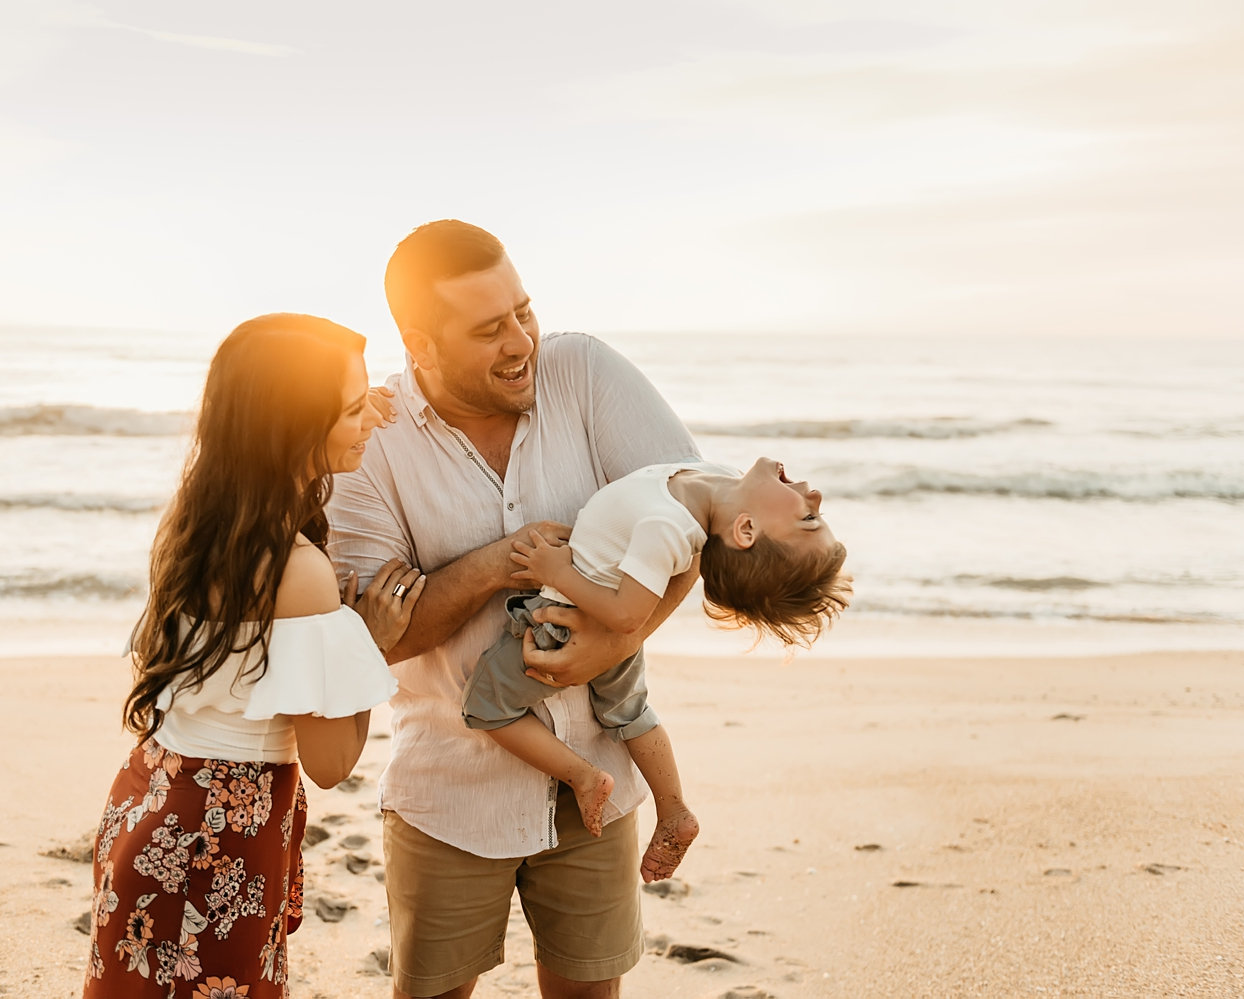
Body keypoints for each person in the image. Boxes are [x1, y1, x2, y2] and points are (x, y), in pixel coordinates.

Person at [327, 220, 702, 999]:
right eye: (489, 328)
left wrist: (616, 639)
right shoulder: (374, 439)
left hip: (597, 770)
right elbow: (377, 636)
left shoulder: (584, 371)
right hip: (449, 789)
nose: (520, 341)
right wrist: (495, 566)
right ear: (420, 345)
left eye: (523, 313)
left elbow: (693, 526)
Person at [83, 314, 418, 999]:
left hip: (152, 800)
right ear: (294, 427)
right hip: (216, 839)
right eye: (352, 410)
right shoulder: (297, 570)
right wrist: (368, 642)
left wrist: (357, 407)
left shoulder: (200, 525)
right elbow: (330, 764)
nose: (368, 422)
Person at [464, 456, 850, 883]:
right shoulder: (715, 478)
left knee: (484, 707)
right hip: (604, 630)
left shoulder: (666, 524)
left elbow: (627, 617)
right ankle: (674, 809)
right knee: (629, 711)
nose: (813, 493)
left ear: (747, 529)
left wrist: (557, 571)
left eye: (809, 517)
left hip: (563, 622)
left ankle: (582, 775)